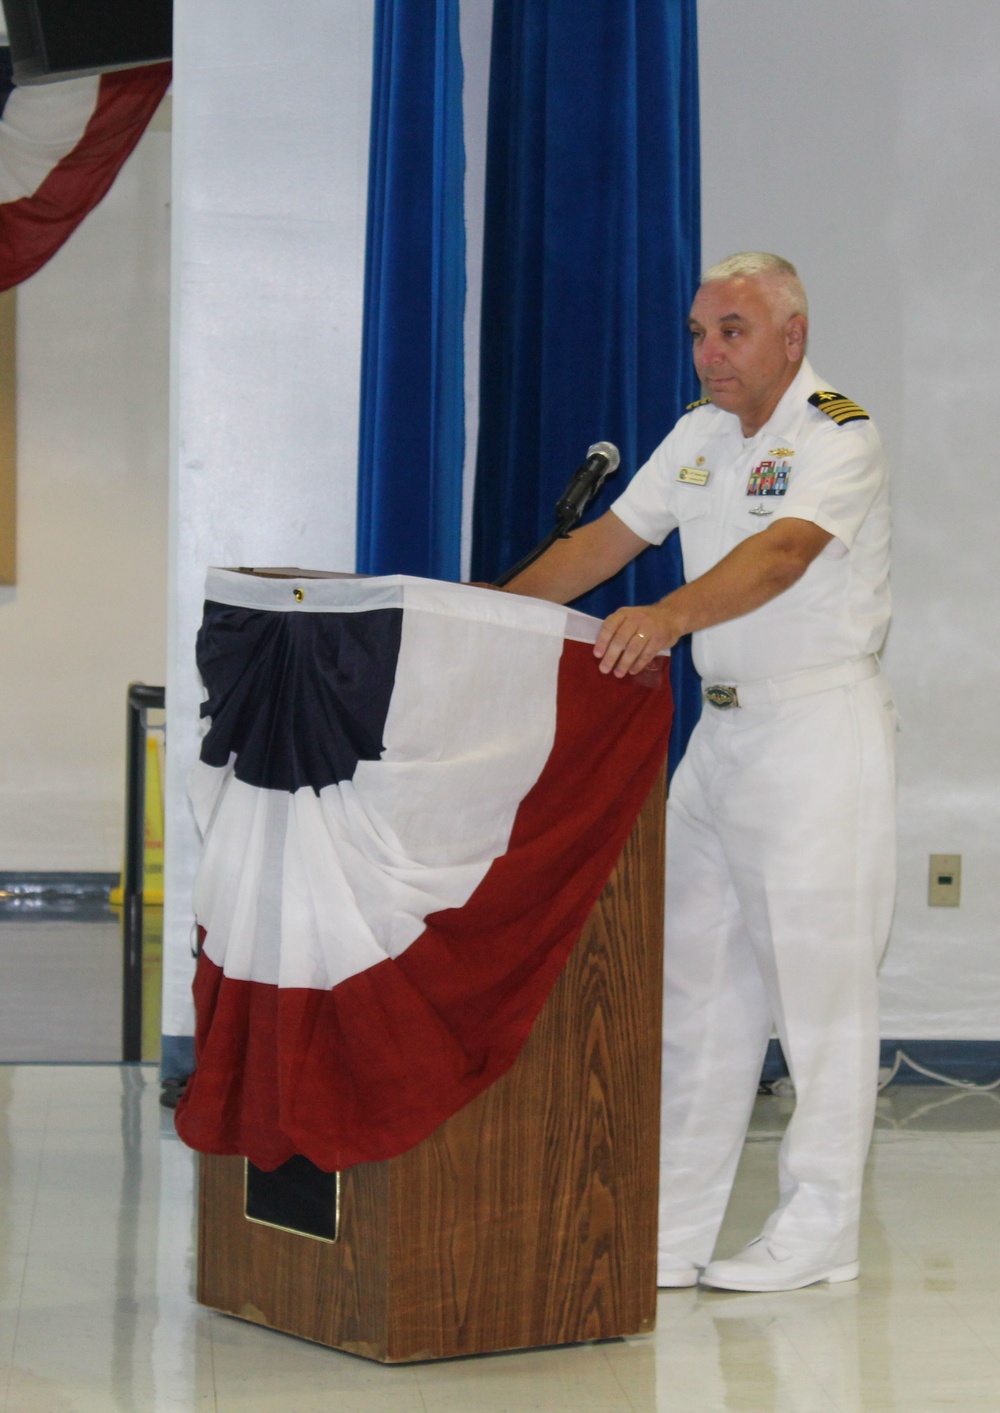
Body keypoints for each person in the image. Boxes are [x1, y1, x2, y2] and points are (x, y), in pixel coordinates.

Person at [503, 251, 895, 1293]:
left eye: (730, 331)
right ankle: (671, 1227)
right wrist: (482, 621)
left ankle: (821, 1232)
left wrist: (668, 617)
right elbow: (599, 546)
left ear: (790, 338)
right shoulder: (699, 435)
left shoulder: (835, 434)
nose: (707, 353)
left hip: (815, 732)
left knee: (821, 997)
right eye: (696, 332)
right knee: (697, 991)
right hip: (717, 741)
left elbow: (781, 557)